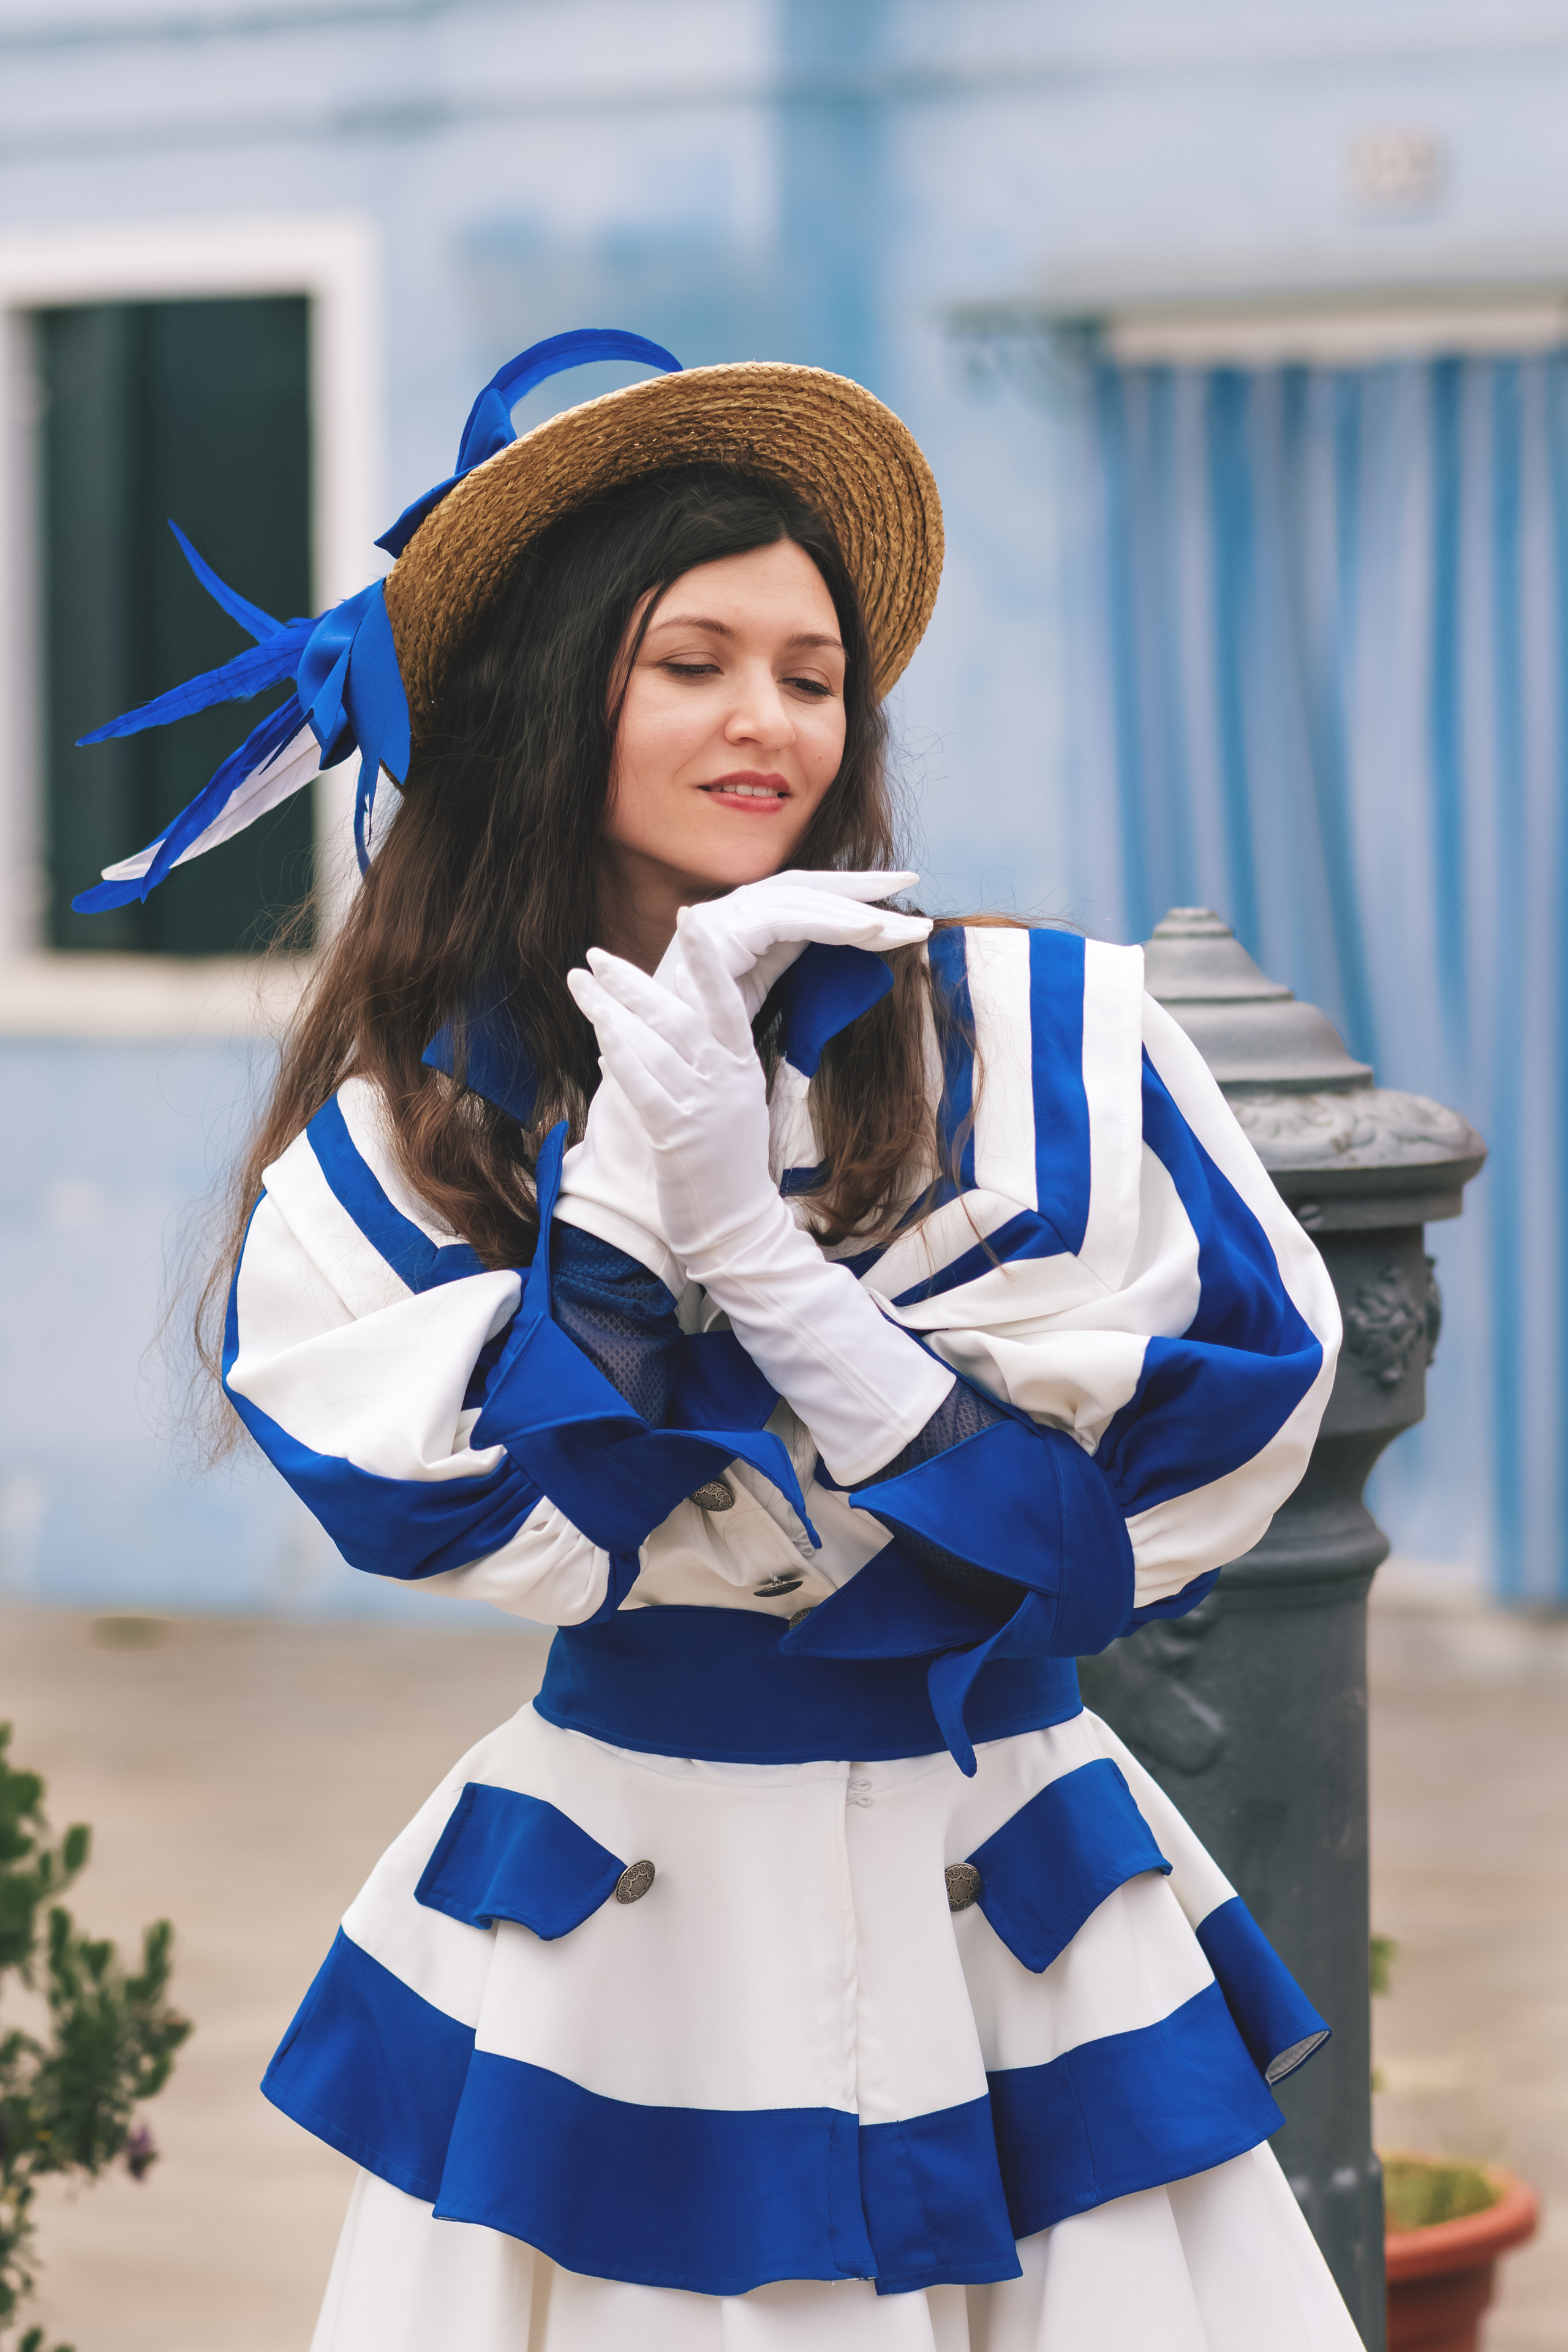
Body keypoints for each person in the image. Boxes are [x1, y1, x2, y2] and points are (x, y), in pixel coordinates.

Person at [80, 334, 1361, 2350]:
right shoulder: (408, 1135)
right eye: (693, 661)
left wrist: (764, 1268)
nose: (769, 718)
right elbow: (505, 1526)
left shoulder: (1043, 1043)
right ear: (541, 692)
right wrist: (619, 1206)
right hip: (638, 1922)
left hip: (1007, 1879)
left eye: (813, 671)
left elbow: (1156, 1497)